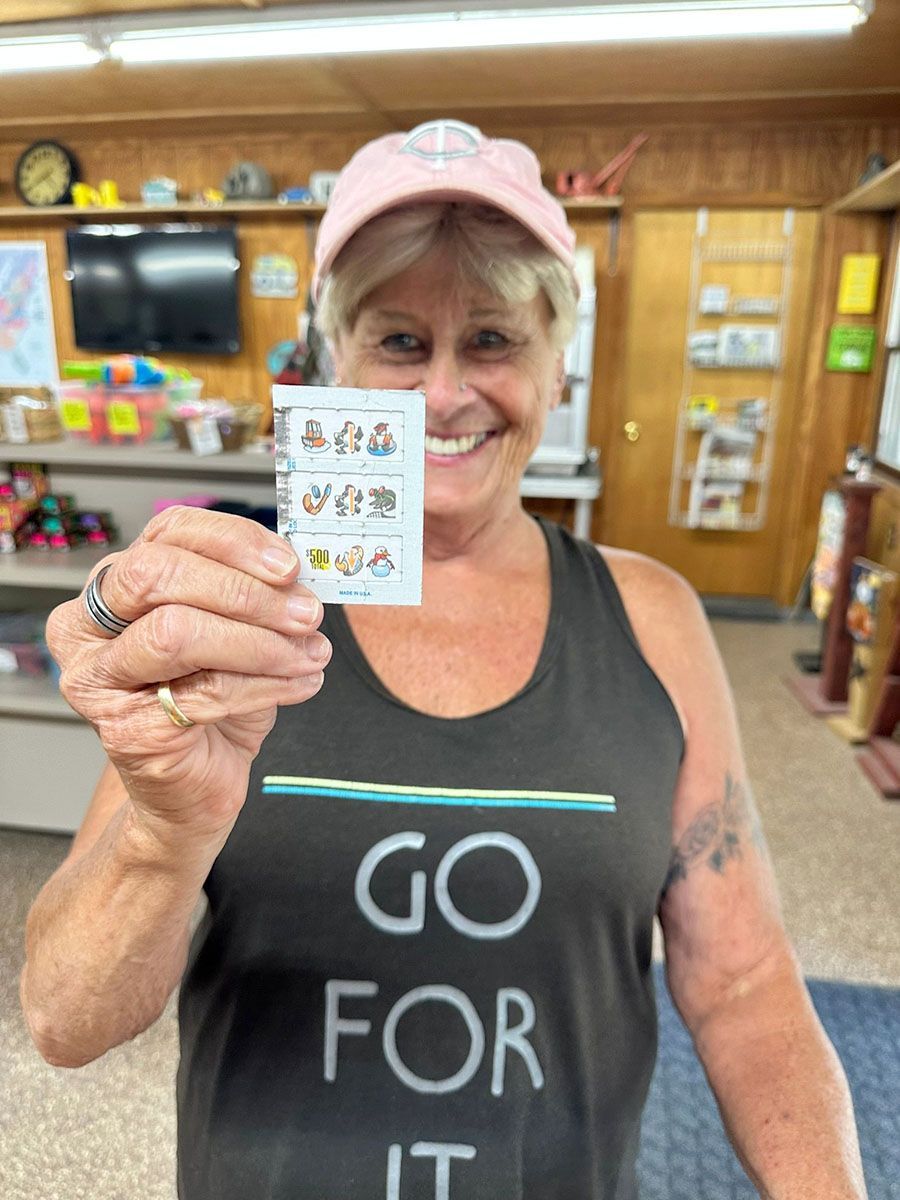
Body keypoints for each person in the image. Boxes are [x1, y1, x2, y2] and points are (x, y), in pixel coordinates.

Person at [21, 120, 866, 1200]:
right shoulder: (242, 624)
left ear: (558, 365)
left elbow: (742, 978)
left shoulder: (650, 618)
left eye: (496, 340)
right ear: (336, 363)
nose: (445, 396)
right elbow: (64, 1017)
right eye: (401, 342)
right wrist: (166, 833)